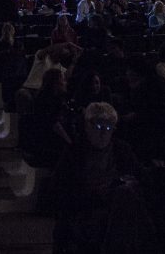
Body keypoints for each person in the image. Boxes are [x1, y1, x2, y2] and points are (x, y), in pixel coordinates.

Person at [50, 102, 153, 253]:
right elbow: (58, 191)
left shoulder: (122, 150)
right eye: (98, 127)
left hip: (118, 208)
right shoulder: (74, 153)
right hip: (86, 211)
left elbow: (143, 180)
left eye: (108, 128)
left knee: (126, 198)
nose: (103, 133)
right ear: (87, 127)